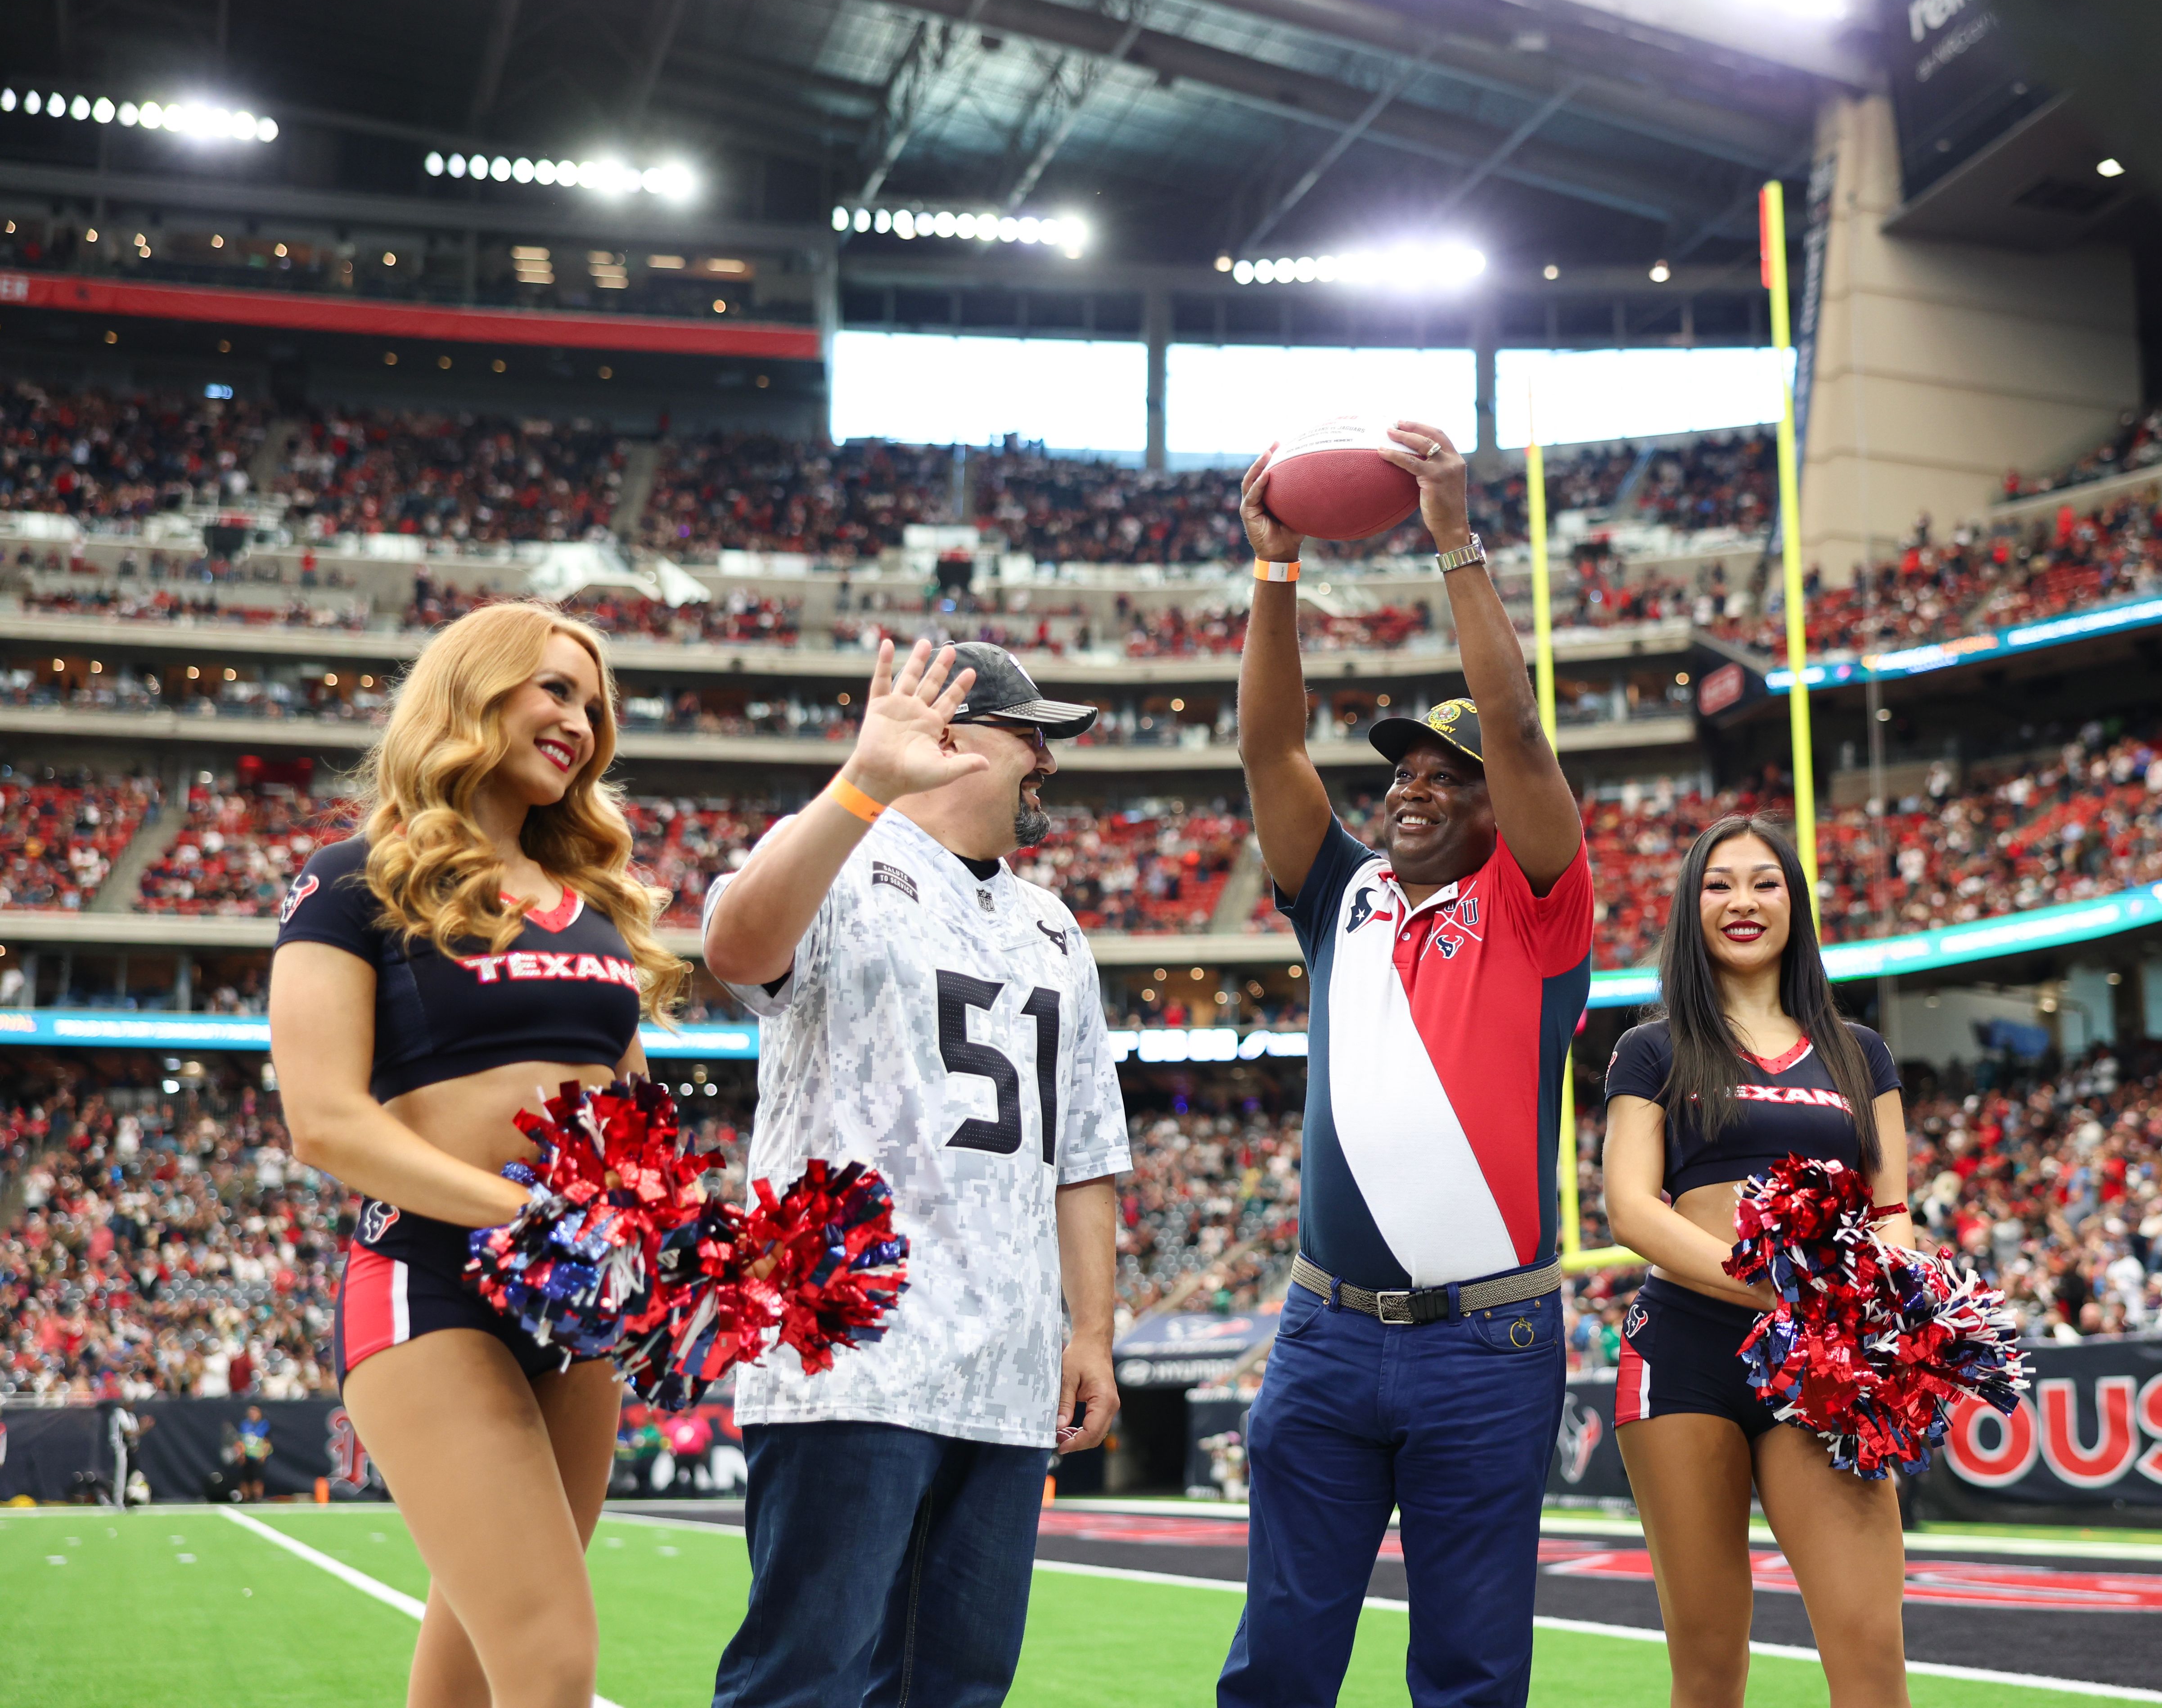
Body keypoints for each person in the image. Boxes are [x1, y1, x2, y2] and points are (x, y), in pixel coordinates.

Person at [1221, 422, 1593, 1708]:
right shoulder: (1344, 896)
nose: (1416, 792)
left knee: (1473, 1669)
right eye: (1405, 775)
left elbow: (1523, 735)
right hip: (1324, 1332)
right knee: (1277, 1660)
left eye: (1452, 778)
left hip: (1486, 1343)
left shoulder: (1539, 911)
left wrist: (1454, 545)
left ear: (1500, 810)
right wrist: (1275, 577)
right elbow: (1274, 753)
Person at [270, 599, 688, 1708]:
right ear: (472, 692)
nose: (582, 722)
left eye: (594, 706)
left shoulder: (596, 907)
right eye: (555, 689)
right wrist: (522, 1217)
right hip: (428, 1286)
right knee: (553, 1666)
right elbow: (325, 1120)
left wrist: (678, 1235)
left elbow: (632, 1115)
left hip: (580, 1305)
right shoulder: (349, 878)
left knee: (470, 1673)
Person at [700, 637, 1130, 1708]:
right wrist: (862, 781)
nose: (1050, 762)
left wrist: (1091, 1333)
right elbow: (737, 950)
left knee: (958, 1687)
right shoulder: (840, 857)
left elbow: (1082, 1152)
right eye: (1031, 735)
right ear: (949, 737)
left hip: (1002, 1371)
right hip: (848, 1353)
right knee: (806, 1679)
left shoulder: (1053, 927)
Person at [1601, 815, 1911, 1708]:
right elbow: (1628, 1207)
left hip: (1825, 1358)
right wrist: (1775, 1281)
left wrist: (1875, 1300)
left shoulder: (1862, 1052)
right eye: (1718, 882)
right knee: (1709, 1667)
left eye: (1765, 881)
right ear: (1691, 906)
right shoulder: (1651, 1048)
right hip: (1686, 1352)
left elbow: (1892, 1211)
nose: (1742, 900)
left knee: (1871, 1652)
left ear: (1795, 902)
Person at [233, 1404, 273, 1502]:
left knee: (258, 1479)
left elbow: (267, 1441)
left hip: (258, 1456)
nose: (253, 1415)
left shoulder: (264, 1425)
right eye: (251, 1413)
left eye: (255, 1412)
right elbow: (240, 1441)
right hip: (246, 1456)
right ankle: (245, 1497)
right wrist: (240, 1454)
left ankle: (257, 1497)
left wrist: (264, 1454)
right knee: (245, 1478)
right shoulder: (244, 1425)